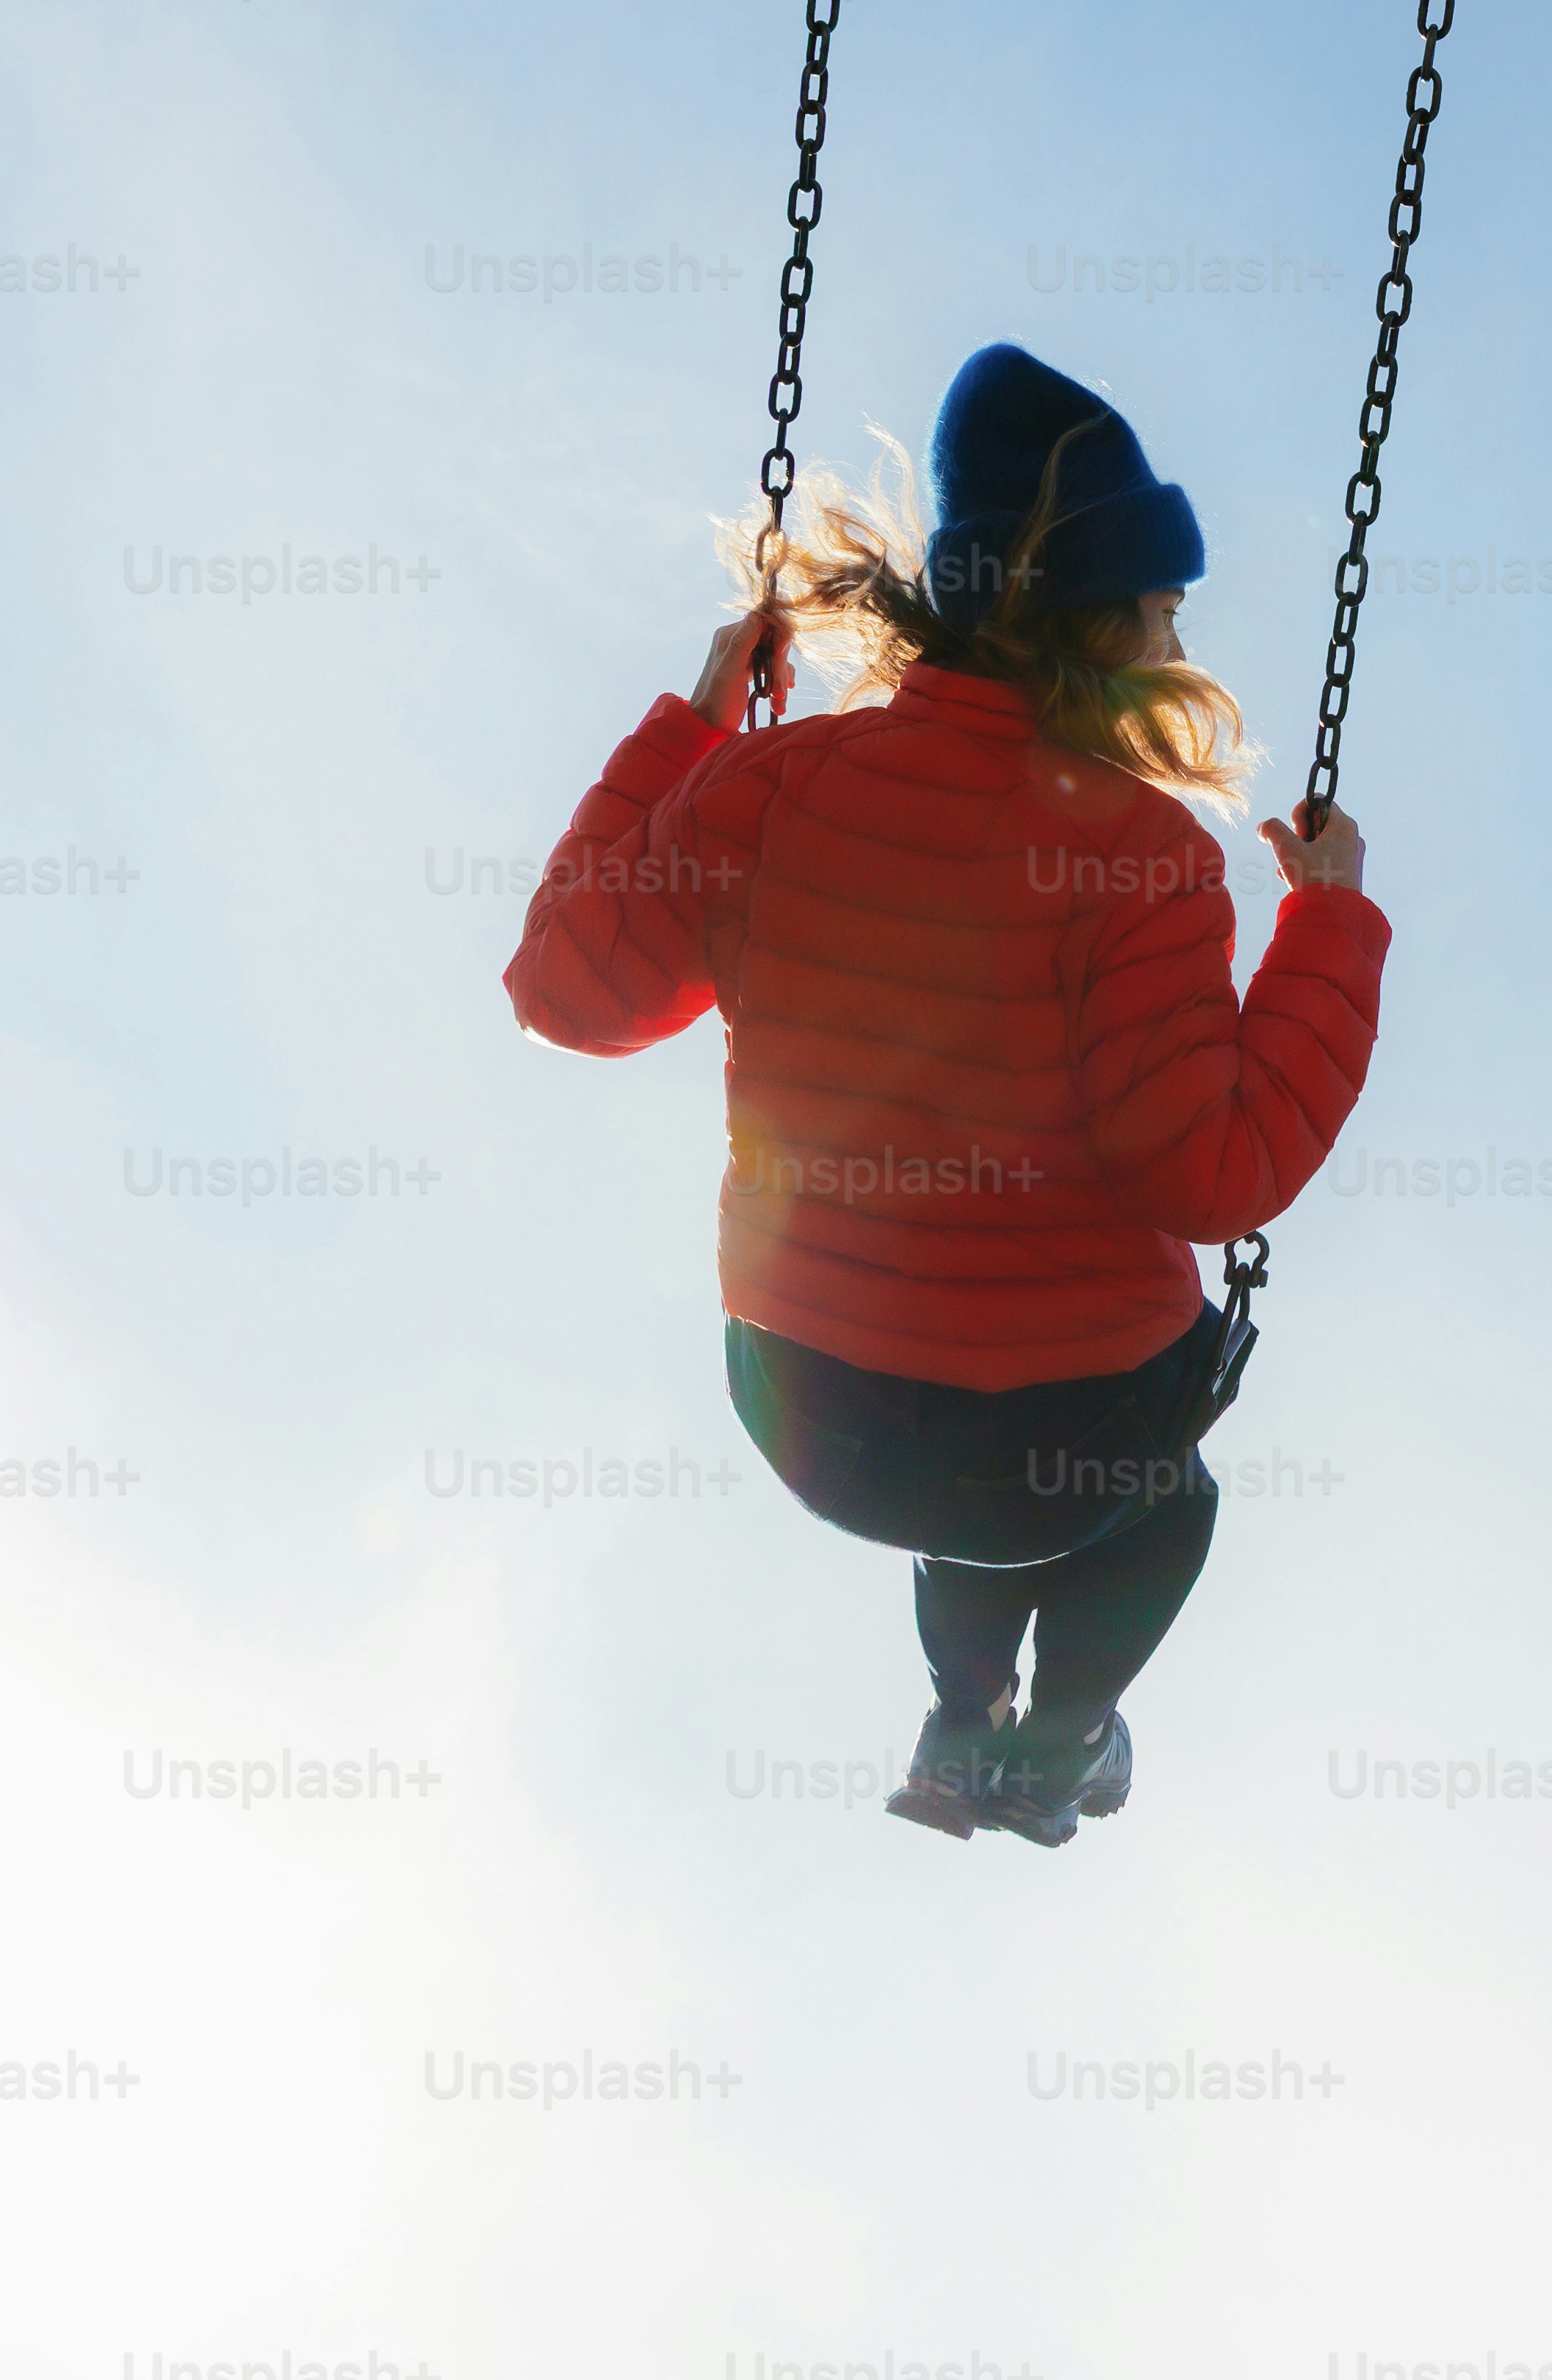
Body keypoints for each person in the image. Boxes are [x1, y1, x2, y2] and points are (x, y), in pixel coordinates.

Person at [507, 342, 1386, 1847]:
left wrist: (694, 728)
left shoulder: (766, 788)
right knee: (1155, 1500)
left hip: (812, 1411)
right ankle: (1055, 1738)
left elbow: (568, 988)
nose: (1180, 634)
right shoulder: (1141, 856)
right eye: (1165, 602)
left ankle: (957, 1714)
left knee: (960, 1470)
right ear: (1099, 616)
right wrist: (1328, 927)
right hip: (1067, 1429)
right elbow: (1214, 1170)